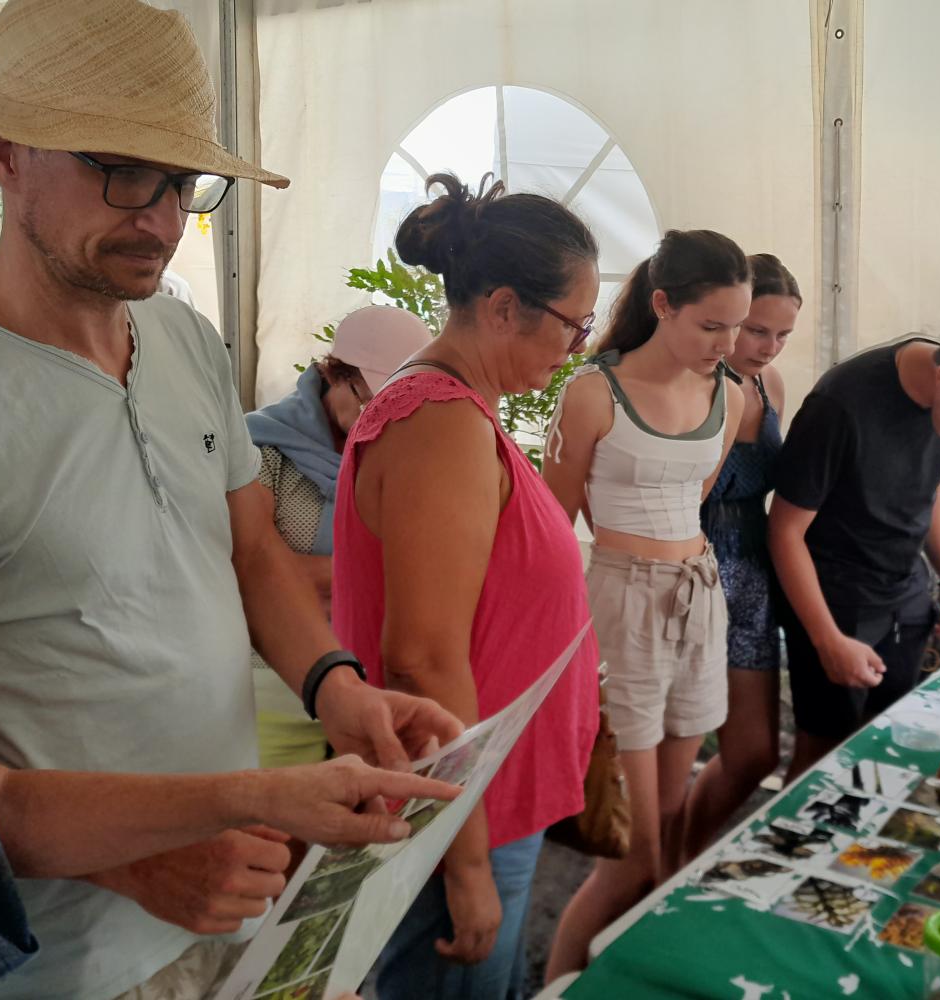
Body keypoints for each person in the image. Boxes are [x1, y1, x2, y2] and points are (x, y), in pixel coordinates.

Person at [0, 2, 461, 997]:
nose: (161, 213)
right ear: (4, 153)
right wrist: (132, 860)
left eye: (182, 178)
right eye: (119, 165)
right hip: (60, 953)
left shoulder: (182, 340)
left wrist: (336, 687)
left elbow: (250, 551)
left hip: (241, 888)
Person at [331, 172, 601, 1000]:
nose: (576, 349)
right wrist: (469, 861)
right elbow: (419, 658)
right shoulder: (441, 422)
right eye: (573, 325)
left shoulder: (460, 410)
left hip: (485, 798)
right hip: (463, 810)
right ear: (505, 307)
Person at [543, 228, 750, 980]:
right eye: (711, 324)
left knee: (664, 824)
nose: (727, 343)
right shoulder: (594, 389)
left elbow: (693, 500)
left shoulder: (729, 396)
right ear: (662, 305)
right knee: (636, 852)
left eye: (738, 325)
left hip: (699, 599)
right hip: (621, 605)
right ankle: (564, 981)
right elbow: (551, 526)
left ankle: (626, 978)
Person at [770, 313, 940, 782]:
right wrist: (827, 640)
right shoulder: (841, 405)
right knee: (823, 754)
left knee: (892, 740)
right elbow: (784, 532)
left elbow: (931, 488)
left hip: (906, 595)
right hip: (836, 600)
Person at [247, 305, 431, 767]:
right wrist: (377, 574)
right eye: (371, 399)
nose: (382, 416)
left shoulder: (405, 455)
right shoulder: (258, 450)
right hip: (273, 683)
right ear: (334, 373)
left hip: (376, 681)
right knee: (275, 826)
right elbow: (251, 571)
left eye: (398, 403)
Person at [680, 252, 800, 859]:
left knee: (754, 754)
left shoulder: (767, 382)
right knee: (668, 758)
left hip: (752, 574)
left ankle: (683, 857)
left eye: (783, 334)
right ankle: (656, 868)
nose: (770, 347)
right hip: (690, 570)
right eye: (757, 330)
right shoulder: (689, 385)